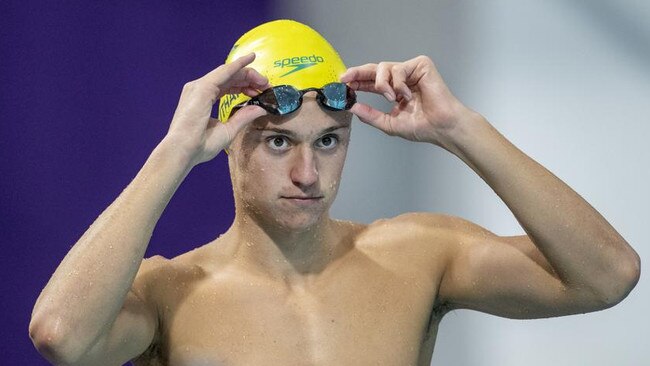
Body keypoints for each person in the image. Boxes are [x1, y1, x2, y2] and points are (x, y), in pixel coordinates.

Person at [29, 19, 640, 365]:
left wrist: (463, 129)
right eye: (277, 142)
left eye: (328, 141)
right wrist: (174, 153)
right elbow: (61, 334)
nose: (307, 174)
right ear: (229, 142)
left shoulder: (417, 256)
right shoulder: (171, 293)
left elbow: (608, 275)